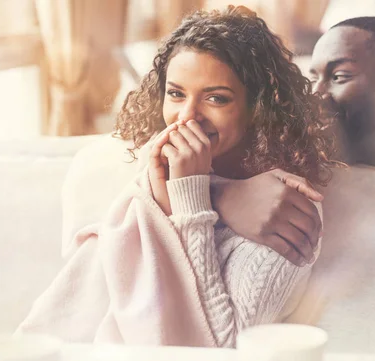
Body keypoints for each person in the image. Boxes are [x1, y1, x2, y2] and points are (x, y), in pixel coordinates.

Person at [18, 6, 335, 347]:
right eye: (176, 93)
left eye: (216, 98)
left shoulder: (284, 205)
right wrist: (218, 196)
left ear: (258, 108)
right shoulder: (159, 166)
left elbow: (222, 348)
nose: (186, 117)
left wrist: (193, 197)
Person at [218, 16, 375, 354]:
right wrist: (224, 195)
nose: (315, 95)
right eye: (313, 77)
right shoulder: (283, 165)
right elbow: (163, 168)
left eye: (339, 77)